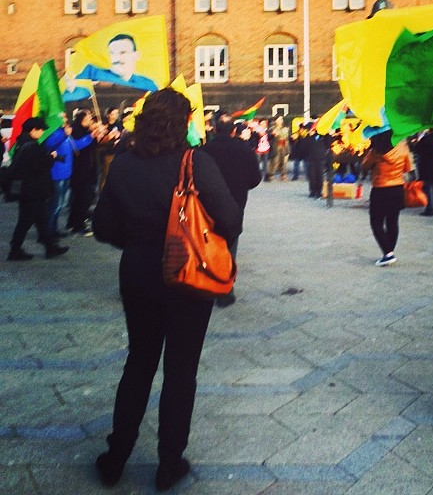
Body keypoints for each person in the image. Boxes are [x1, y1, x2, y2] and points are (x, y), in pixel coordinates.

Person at [92, 88, 242, 491]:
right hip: (188, 276)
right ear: (184, 123)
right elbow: (231, 217)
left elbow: (103, 227)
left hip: (138, 273)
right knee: (180, 371)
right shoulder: (196, 162)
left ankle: (116, 457)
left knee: (139, 362)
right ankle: (168, 463)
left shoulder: (122, 164)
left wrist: (139, 241)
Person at [201, 113, 261, 306]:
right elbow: (255, 178)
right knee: (230, 246)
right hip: (235, 203)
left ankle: (207, 286)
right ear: (234, 131)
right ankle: (225, 290)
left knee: (209, 244)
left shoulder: (205, 150)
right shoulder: (244, 149)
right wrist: (241, 186)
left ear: (215, 130)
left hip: (209, 204)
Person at [7, 117, 69, 261]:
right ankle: (15, 250)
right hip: (32, 190)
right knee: (25, 221)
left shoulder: (22, 143)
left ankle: (50, 247)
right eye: (41, 130)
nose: (42, 132)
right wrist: (51, 158)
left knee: (41, 219)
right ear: (33, 130)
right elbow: (40, 166)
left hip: (31, 190)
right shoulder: (32, 146)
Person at [361, 130, 412, 266]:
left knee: (376, 222)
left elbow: (365, 166)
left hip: (380, 188)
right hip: (397, 188)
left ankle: (388, 253)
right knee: (392, 221)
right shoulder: (403, 147)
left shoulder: (376, 150)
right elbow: (407, 167)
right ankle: (389, 251)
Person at [63, 34, 158, 101]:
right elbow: (71, 95)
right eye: (112, 53)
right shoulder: (94, 72)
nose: (116, 58)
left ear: (136, 55)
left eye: (123, 52)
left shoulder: (147, 84)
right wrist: (72, 89)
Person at [267, 115, 290, 181]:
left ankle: (283, 174)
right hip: (276, 146)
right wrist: (273, 134)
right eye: (279, 119)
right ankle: (270, 175)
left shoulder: (284, 128)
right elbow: (269, 137)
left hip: (283, 146)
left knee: (283, 161)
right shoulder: (272, 128)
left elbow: (287, 138)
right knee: (275, 161)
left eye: (281, 119)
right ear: (276, 120)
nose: (281, 121)